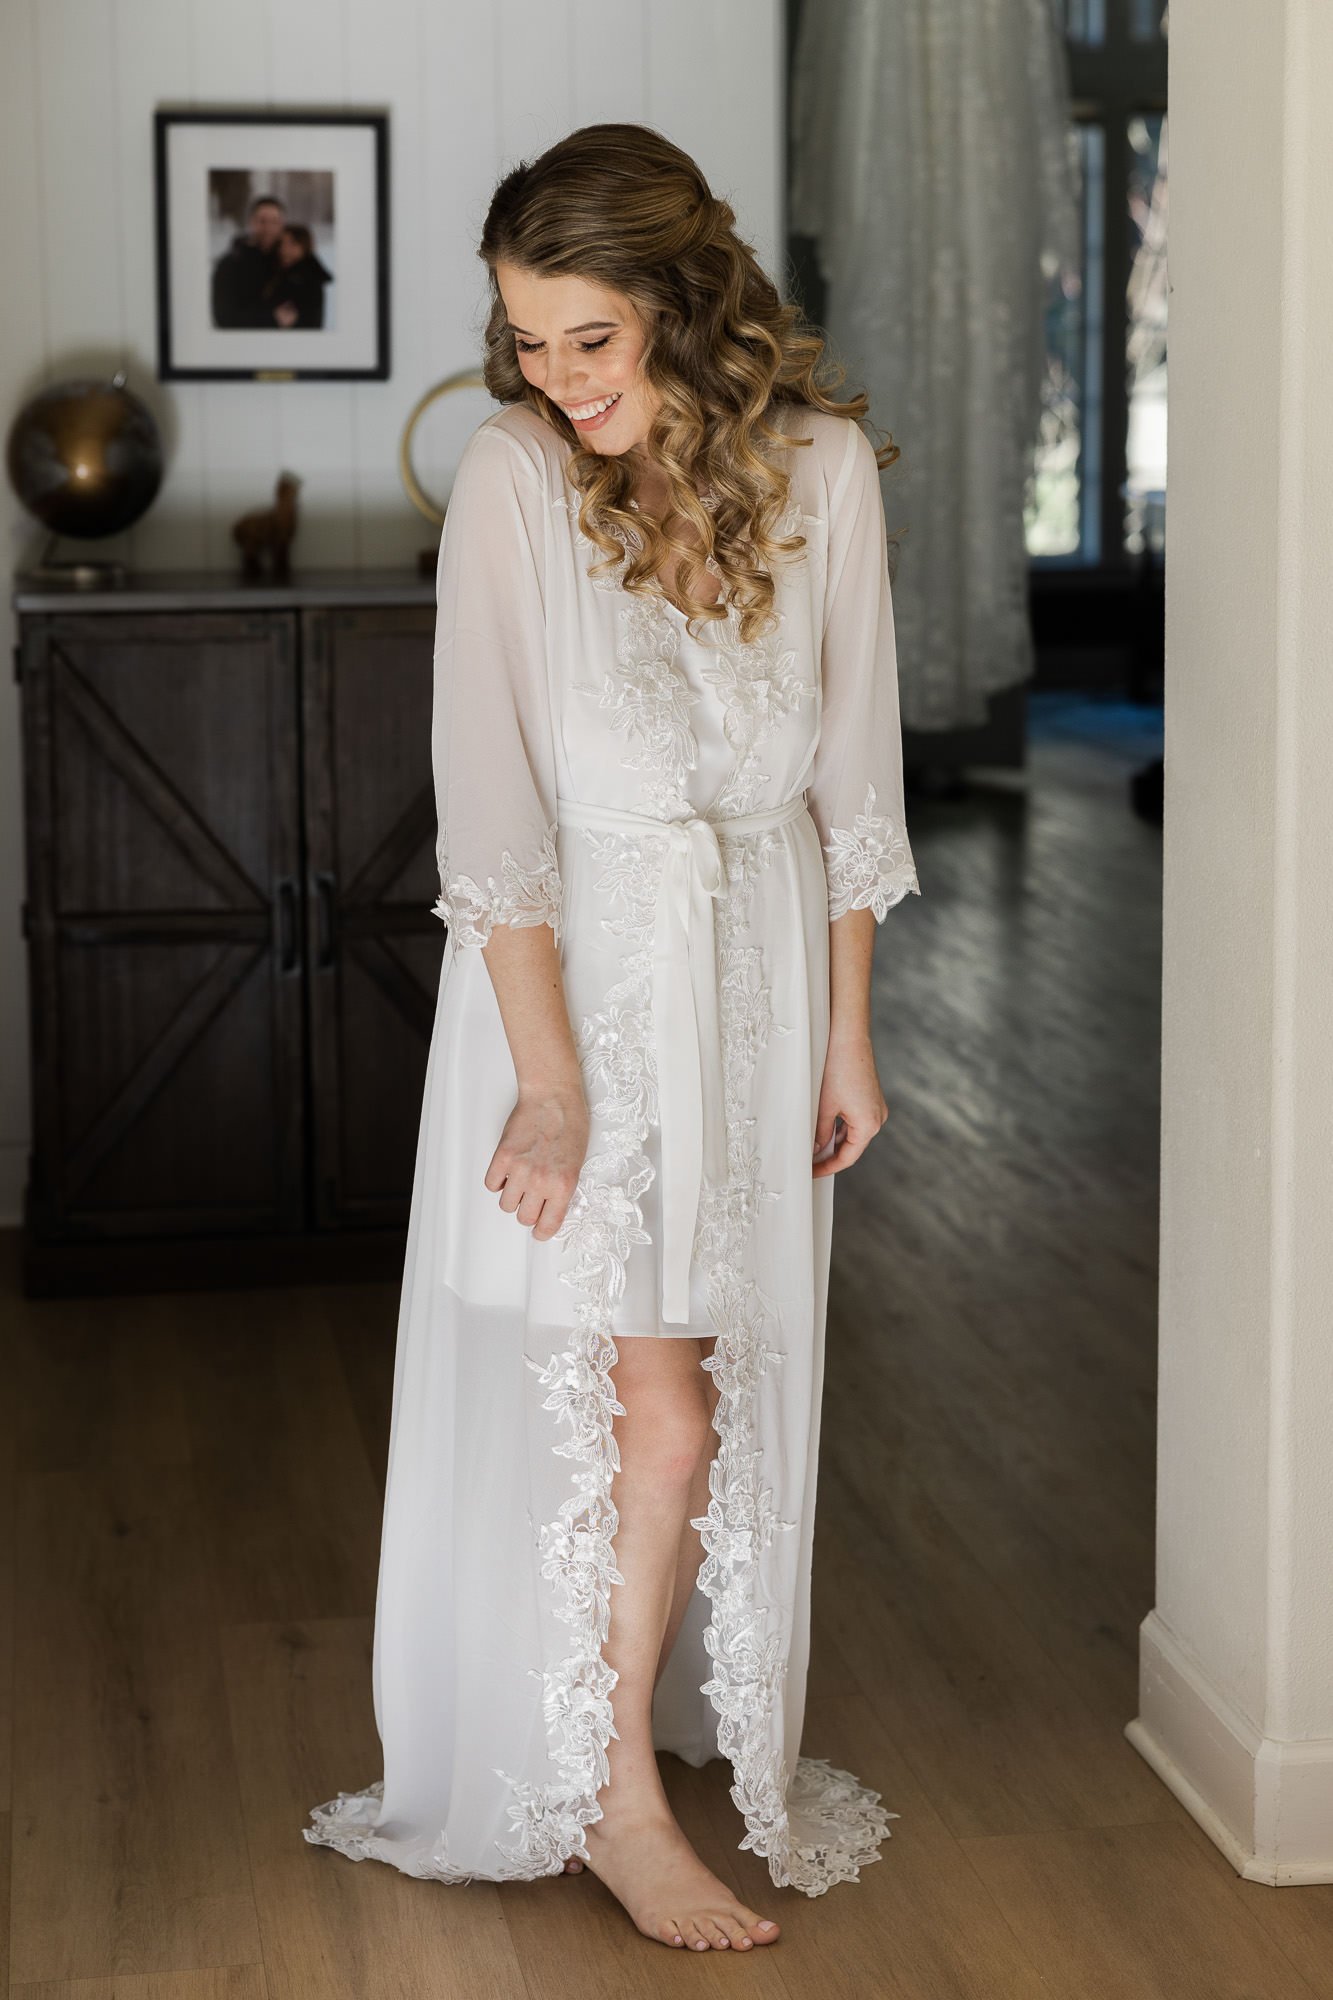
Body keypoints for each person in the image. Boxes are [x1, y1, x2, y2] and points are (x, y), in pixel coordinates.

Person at [303, 121, 921, 1954]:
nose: (551, 376)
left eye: (585, 335)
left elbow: (851, 780)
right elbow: (487, 820)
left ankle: (602, 1741)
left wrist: (849, 1037)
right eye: (524, 338)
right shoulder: (509, 479)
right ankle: (612, 1799)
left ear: (675, 296)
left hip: (754, 999)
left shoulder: (817, 470)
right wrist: (552, 1085)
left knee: (695, 1408)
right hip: (571, 1003)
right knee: (651, 1416)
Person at [211, 194, 285, 328]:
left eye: (274, 222)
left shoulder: (293, 264)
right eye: (262, 221)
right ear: (251, 222)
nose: (268, 228)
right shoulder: (229, 264)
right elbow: (223, 317)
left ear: (282, 225)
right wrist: (271, 318)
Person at [264, 222, 334, 329]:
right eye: (282, 243)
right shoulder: (274, 268)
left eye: (292, 243)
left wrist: (294, 318)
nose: (284, 249)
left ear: (304, 246)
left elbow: (312, 321)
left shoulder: (311, 275)